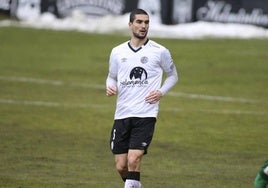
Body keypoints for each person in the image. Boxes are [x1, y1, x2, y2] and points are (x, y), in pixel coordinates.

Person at [106, 8, 178, 188]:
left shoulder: (160, 51)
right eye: (139, 22)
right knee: (121, 166)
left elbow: (173, 76)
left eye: (146, 22)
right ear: (130, 24)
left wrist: (161, 92)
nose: (143, 26)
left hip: (146, 114)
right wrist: (110, 85)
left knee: (134, 159)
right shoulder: (117, 51)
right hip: (122, 114)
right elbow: (111, 76)